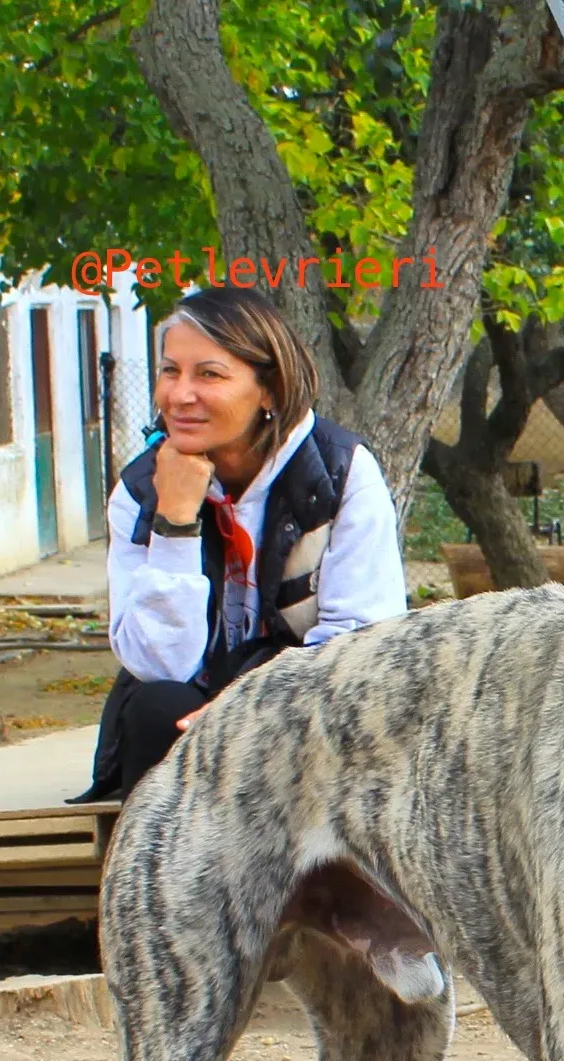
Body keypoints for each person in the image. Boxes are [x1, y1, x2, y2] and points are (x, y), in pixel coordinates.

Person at [78, 286, 407, 804]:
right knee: (156, 708)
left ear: (270, 390)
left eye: (209, 374)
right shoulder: (139, 491)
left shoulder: (340, 473)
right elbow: (158, 664)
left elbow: (361, 640)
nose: (180, 395)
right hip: (185, 712)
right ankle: (160, 882)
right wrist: (176, 522)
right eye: (170, 371)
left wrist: (251, 705)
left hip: (308, 701)